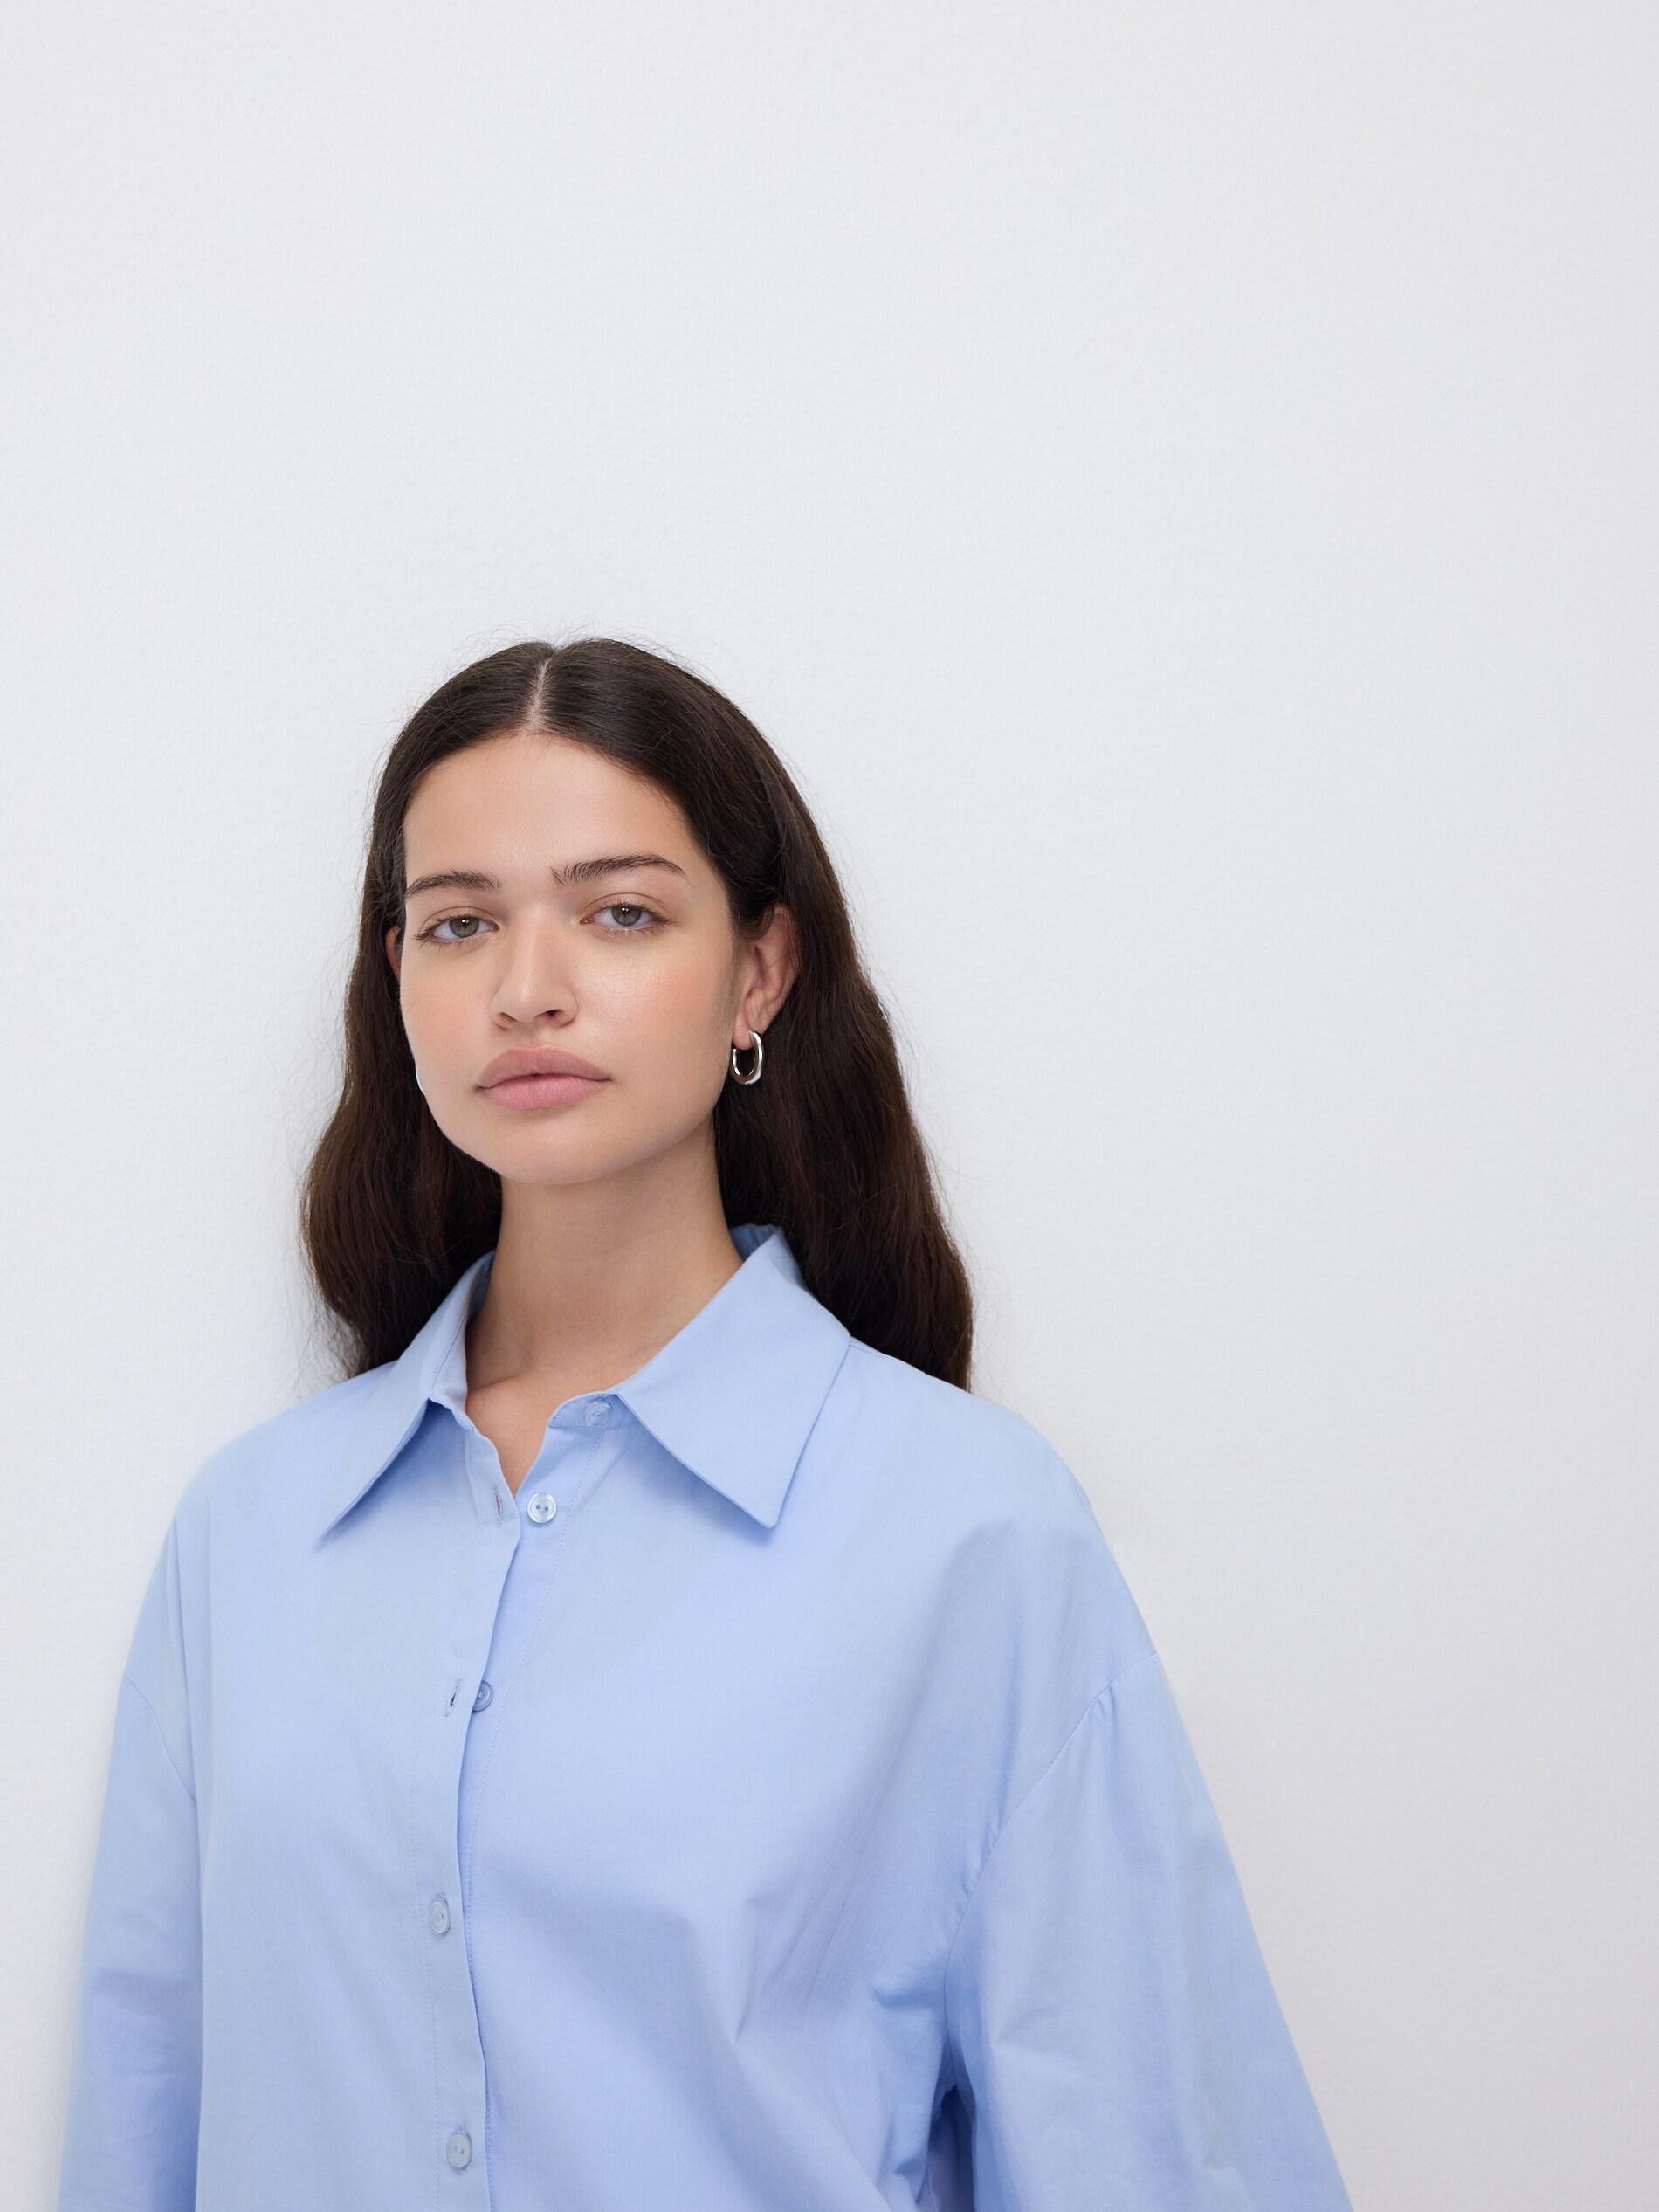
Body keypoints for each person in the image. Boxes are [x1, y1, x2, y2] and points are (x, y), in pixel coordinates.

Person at [55, 637, 1353, 2209]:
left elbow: (1157, 2153)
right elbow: (145, 2125)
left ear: (759, 970)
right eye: (459, 922)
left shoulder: (966, 1527)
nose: (528, 986)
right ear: (396, 976)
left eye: (620, 911)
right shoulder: (247, 1538)